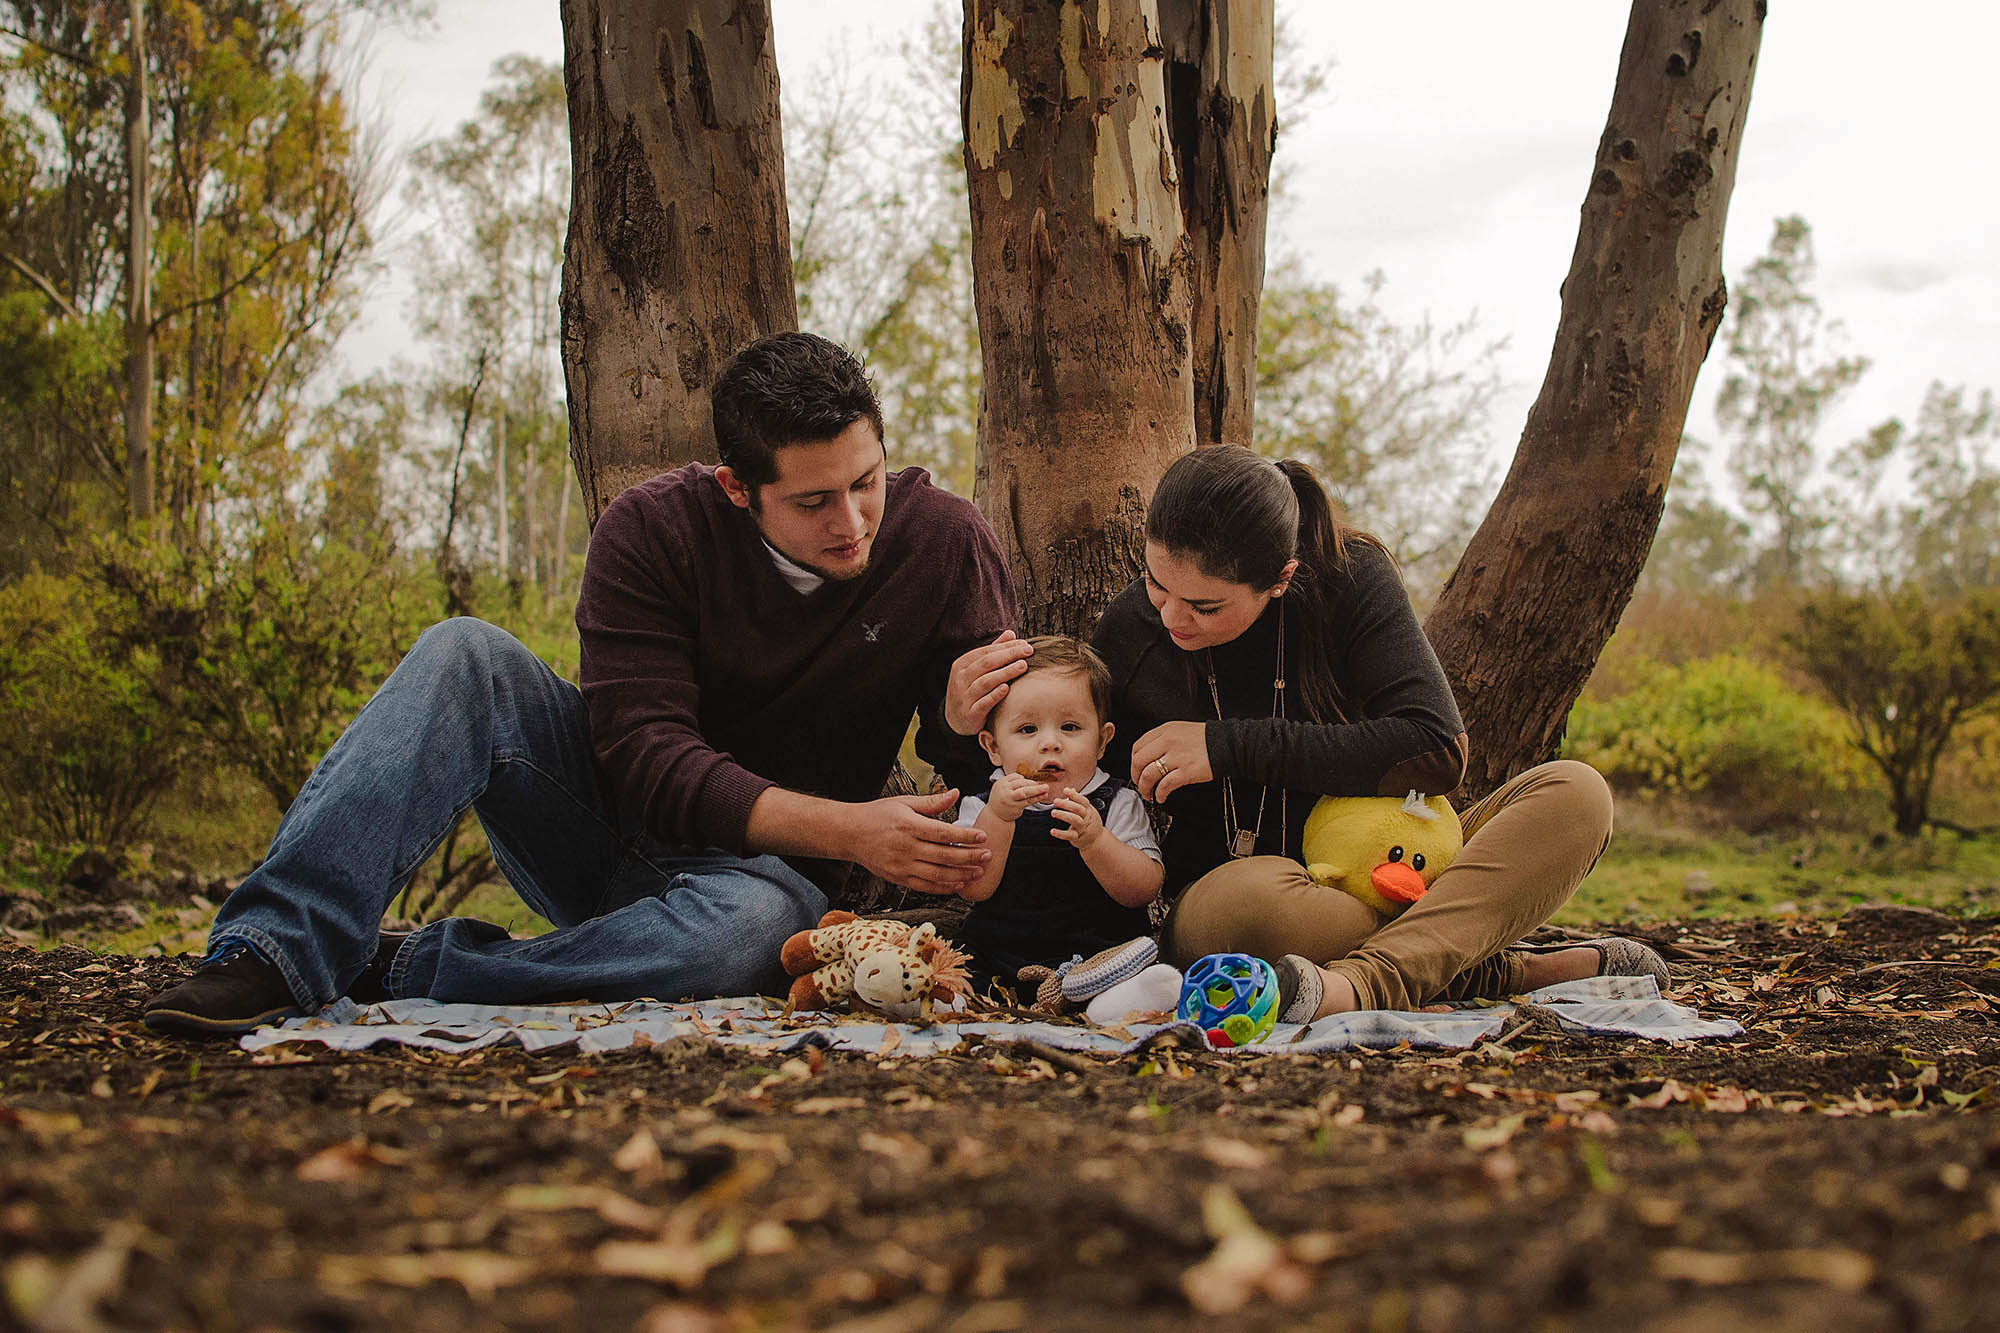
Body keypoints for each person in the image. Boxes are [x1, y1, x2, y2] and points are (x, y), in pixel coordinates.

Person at [143, 332, 1019, 1037]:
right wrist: (849, 830)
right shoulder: (651, 530)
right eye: (814, 501)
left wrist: (950, 720)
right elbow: (645, 755)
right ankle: (270, 950)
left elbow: (989, 765)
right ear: (737, 489)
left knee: (754, 928)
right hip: (599, 825)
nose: (852, 520)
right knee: (464, 652)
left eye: (865, 482)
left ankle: (399, 966)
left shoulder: (943, 541)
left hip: (754, 885)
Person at [1080, 444, 1667, 1025]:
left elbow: (1434, 747)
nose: (1171, 618)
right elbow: (1067, 761)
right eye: (1157, 584)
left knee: (1578, 795)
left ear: (1282, 578)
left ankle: (1360, 984)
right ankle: (1494, 969)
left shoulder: (1350, 576)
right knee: (1246, 904)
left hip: (1390, 875)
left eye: (1205, 606)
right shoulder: (1134, 629)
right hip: (1249, 904)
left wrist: (1227, 745)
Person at [950, 635, 1163, 989]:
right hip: (1000, 953)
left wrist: (1095, 840)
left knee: (1132, 976)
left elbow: (1144, 890)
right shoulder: (983, 804)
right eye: (1027, 729)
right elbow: (973, 889)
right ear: (993, 747)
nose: (1050, 742)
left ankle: (1116, 1001)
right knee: (960, 978)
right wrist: (1000, 819)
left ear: (1102, 741)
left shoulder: (1116, 800)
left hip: (1099, 956)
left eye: (1070, 727)